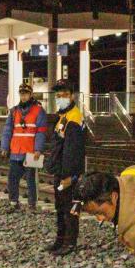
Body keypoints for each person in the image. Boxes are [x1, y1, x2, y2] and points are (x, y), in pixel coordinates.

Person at [44, 80, 86, 256]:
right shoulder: (63, 116)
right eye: (58, 95)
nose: (61, 98)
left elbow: (73, 151)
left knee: (70, 208)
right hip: (60, 172)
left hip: (68, 175)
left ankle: (70, 242)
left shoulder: (74, 118)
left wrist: (68, 176)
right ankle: (60, 239)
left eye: (65, 95)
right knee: (60, 207)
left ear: (72, 96)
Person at [0, 82, 47, 212]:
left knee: (31, 180)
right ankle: (13, 203)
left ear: (31, 94)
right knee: (12, 179)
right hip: (16, 151)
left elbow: (41, 132)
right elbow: (7, 130)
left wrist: (38, 149)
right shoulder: (14, 111)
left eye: (26, 94)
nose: (23, 96)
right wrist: (4, 147)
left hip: (31, 152)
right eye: (21, 94)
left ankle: (32, 205)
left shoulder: (39, 111)